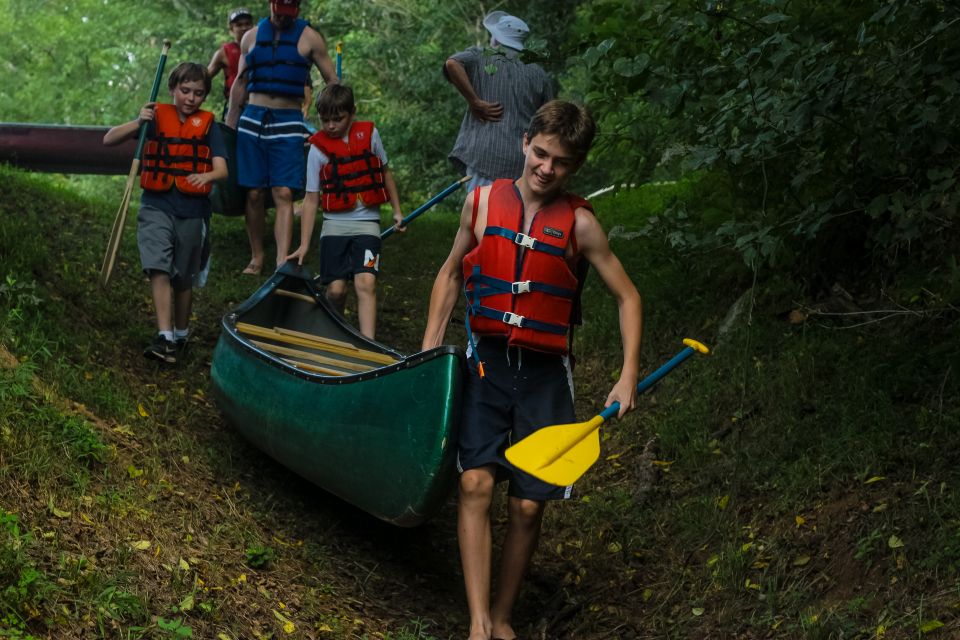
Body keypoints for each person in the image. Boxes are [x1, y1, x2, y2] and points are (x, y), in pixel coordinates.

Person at [421, 101, 643, 640]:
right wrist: (430, 349)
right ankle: (477, 625)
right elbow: (451, 274)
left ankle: (502, 618)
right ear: (525, 143)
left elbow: (628, 297)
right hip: (485, 367)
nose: (546, 168)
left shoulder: (582, 225)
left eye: (561, 162)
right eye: (541, 154)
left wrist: (627, 373)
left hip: (544, 375)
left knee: (525, 506)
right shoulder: (478, 202)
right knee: (474, 484)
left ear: (576, 166)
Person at [103, 63, 228, 363]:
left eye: (198, 93)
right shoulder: (154, 117)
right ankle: (165, 338)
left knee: (184, 278)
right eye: (185, 91)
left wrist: (207, 177)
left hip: (193, 210)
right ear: (172, 90)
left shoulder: (209, 125)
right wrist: (138, 122)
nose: (191, 98)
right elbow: (108, 139)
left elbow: (222, 169)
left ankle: (182, 336)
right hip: (156, 205)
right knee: (158, 265)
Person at [225, 0, 338, 275]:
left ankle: (281, 261)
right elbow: (240, 82)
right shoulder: (251, 36)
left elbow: (332, 81)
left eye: (289, 14)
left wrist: (334, 120)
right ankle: (256, 257)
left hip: (288, 121)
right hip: (252, 119)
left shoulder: (310, 37)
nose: (283, 19)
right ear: (271, 5)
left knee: (284, 192)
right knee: (253, 193)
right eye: (279, 13)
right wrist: (230, 125)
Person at [284, 85, 404, 340]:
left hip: (368, 227)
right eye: (325, 119)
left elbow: (385, 173)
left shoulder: (370, 136)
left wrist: (397, 212)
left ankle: (368, 345)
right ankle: (336, 332)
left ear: (352, 113)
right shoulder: (317, 149)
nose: (330, 125)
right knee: (336, 291)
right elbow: (311, 199)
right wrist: (304, 244)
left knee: (366, 283)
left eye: (337, 119)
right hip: (334, 228)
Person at [445, 11, 553, 191]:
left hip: (484, 158)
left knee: (482, 214)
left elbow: (452, 63)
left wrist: (474, 102)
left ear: (496, 39)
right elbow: (549, 123)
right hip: (522, 163)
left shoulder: (481, 56)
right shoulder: (539, 74)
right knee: (515, 215)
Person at [206, 7, 254, 120]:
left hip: (258, 106)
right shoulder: (224, 53)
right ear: (232, 28)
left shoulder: (261, 48)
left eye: (247, 24)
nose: (244, 28)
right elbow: (203, 78)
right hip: (235, 107)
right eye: (239, 25)